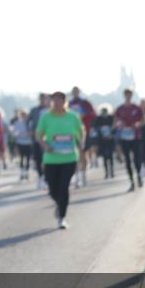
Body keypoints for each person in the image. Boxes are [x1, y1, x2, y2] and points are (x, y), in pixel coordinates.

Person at [36, 91, 84, 229]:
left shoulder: (73, 117)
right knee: (52, 189)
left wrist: (81, 142)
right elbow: (39, 135)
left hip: (69, 158)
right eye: (54, 100)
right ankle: (59, 203)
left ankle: (62, 218)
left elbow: (81, 132)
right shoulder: (46, 117)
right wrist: (45, 145)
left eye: (59, 99)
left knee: (64, 188)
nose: (56, 102)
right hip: (51, 159)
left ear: (64, 101)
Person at [113, 88, 145, 191]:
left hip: (136, 136)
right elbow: (114, 122)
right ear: (124, 96)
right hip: (125, 137)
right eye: (126, 94)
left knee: (137, 159)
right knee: (127, 160)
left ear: (131, 96)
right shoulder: (119, 109)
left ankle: (139, 177)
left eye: (129, 94)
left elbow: (144, 120)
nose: (128, 96)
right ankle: (132, 181)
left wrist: (138, 124)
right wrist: (119, 124)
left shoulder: (137, 108)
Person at [67, 87, 97, 188]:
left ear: (79, 92)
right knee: (74, 155)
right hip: (71, 133)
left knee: (83, 154)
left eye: (76, 91)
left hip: (84, 131)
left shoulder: (85, 103)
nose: (75, 93)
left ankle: (83, 175)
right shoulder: (69, 103)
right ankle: (77, 178)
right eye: (73, 92)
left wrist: (84, 116)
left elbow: (93, 114)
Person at [27, 93, 50, 189]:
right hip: (37, 138)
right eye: (41, 99)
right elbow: (29, 122)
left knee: (47, 159)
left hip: (49, 138)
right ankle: (41, 176)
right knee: (38, 159)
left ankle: (47, 177)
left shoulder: (50, 110)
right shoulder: (34, 110)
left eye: (44, 99)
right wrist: (30, 130)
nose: (43, 100)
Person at [93, 105, 117, 179]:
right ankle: (106, 173)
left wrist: (111, 134)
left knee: (110, 156)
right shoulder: (98, 119)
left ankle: (112, 172)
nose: (104, 113)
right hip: (102, 141)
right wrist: (101, 133)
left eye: (105, 111)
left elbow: (115, 128)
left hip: (110, 140)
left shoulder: (111, 118)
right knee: (104, 157)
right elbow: (95, 128)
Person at [11, 109, 34, 181]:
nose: (24, 117)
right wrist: (19, 135)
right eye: (22, 115)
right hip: (20, 143)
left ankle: (26, 173)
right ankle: (22, 173)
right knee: (21, 158)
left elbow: (33, 132)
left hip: (28, 143)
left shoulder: (30, 123)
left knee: (27, 158)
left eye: (25, 115)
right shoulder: (17, 123)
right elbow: (14, 133)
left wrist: (29, 133)